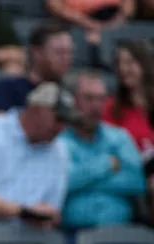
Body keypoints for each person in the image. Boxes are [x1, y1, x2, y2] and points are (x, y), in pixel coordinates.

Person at [0, 82, 75, 228]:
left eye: (67, 122)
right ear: (36, 109)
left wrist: (44, 215)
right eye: (59, 119)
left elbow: (51, 209)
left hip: (30, 233)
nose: (62, 128)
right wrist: (21, 211)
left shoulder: (60, 150)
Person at [60, 71, 146, 230]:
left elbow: (136, 182)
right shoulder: (59, 141)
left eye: (101, 98)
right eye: (89, 98)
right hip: (71, 234)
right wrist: (106, 164)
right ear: (72, 101)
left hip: (120, 233)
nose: (96, 105)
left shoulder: (120, 138)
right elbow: (62, 181)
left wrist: (82, 181)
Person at [0, 21, 75, 115]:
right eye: (59, 52)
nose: (66, 58)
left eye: (69, 52)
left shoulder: (69, 93)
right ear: (37, 53)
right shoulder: (9, 89)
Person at [102, 40, 154, 196]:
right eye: (119, 63)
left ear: (143, 65)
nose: (123, 69)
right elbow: (108, 150)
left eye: (129, 63)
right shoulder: (111, 108)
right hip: (133, 173)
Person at [45, 0, 134, 46]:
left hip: (115, 22)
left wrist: (114, 24)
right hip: (77, 23)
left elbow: (128, 7)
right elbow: (55, 6)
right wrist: (89, 23)